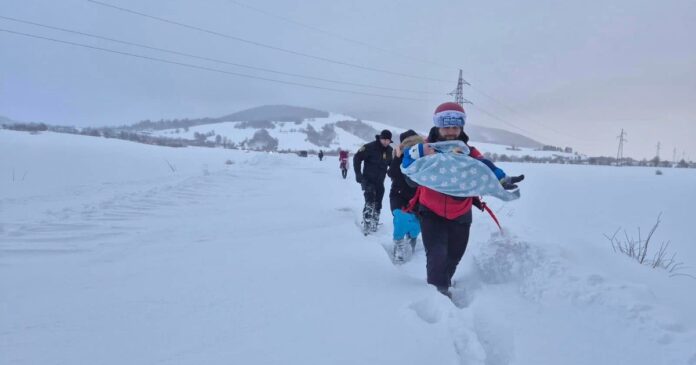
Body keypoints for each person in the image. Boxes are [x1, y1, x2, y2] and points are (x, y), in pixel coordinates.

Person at [403, 102, 524, 297]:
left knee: (453, 256)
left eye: (455, 127)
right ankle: (438, 295)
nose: (451, 132)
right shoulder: (426, 148)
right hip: (430, 212)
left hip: (461, 214)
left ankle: (445, 281)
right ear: (437, 126)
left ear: (461, 127)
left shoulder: (469, 152)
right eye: (446, 127)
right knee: (436, 256)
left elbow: (487, 167)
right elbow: (407, 162)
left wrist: (502, 179)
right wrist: (411, 173)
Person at [388, 129, 424, 263]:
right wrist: (398, 157)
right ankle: (399, 244)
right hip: (399, 194)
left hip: (418, 196)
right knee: (401, 219)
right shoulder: (399, 155)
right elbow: (392, 174)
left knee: (417, 223)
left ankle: (412, 239)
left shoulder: (423, 155)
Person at [354, 129, 393, 234]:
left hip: (380, 182)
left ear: (390, 141)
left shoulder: (390, 151)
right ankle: (366, 225)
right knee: (370, 201)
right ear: (380, 138)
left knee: (378, 204)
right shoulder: (369, 147)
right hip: (368, 180)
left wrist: (393, 174)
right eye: (383, 139)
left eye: (387, 140)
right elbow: (357, 158)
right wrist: (358, 174)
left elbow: (392, 165)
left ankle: (374, 224)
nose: (385, 142)